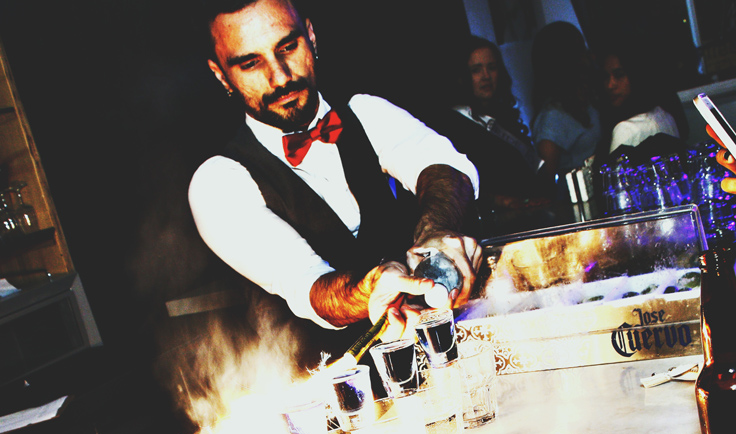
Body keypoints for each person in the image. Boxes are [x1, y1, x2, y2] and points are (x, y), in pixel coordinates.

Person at [188, 0, 482, 354]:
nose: (280, 77)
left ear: (311, 36)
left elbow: (444, 168)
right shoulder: (218, 182)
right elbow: (307, 283)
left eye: (287, 47)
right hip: (327, 379)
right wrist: (369, 290)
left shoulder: (365, 112)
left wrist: (435, 231)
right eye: (250, 63)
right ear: (221, 74)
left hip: (438, 351)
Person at [416, 36, 553, 237]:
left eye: (492, 67)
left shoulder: (505, 117)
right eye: (476, 70)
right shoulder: (452, 124)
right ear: (463, 76)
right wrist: (502, 200)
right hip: (491, 230)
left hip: (532, 218)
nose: (486, 76)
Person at [531, 22, 601, 181]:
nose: (588, 56)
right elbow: (546, 180)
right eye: (581, 50)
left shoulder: (586, 100)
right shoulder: (552, 118)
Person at [597, 45, 687, 157]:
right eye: (605, 77)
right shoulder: (665, 115)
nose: (610, 85)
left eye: (619, 75)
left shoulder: (626, 129)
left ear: (636, 74)